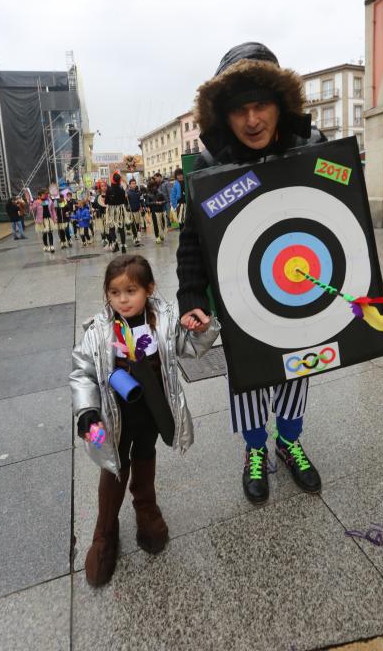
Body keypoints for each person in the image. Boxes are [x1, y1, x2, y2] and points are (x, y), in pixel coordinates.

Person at [176, 41, 327, 504]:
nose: (253, 120)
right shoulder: (210, 163)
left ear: (280, 104)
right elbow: (191, 241)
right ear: (225, 116)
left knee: (298, 370)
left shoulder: (312, 146)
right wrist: (193, 300)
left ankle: (289, 440)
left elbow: (339, 217)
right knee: (248, 375)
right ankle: (255, 449)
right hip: (241, 299)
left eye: (261, 105)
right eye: (240, 110)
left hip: (297, 287)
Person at [69, 254, 220, 586]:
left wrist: (204, 329)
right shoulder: (98, 331)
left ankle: (146, 509)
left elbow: (192, 348)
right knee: (115, 465)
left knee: (145, 455)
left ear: (149, 289)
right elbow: (82, 374)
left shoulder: (163, 321)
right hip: (113, 417)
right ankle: (105, 532)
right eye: (114, 292)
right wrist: (87, 412)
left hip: (152, 411)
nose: (123, 300)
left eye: (131, 291)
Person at [108, 172, 129, 253]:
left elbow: (106, 201)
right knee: (121, 228)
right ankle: (123, 246)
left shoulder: (109, 189)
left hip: (112, 211)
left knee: (112, 228)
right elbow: (124, 200)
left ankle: (116, 244)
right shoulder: (121, 190)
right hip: (120, 209)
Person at [126, 178, 144, 247]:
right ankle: (135, 238)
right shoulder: (127, 193)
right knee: (133, 226)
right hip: (131, 212)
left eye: (135, 183)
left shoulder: (139, 192)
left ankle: (138, 237)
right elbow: (125, 203)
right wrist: (125, 197)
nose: (134, 185)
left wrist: (143, 207)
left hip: (138, 211)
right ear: (129, 185)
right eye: (132, 183)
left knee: (138, 225)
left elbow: (142, 200)